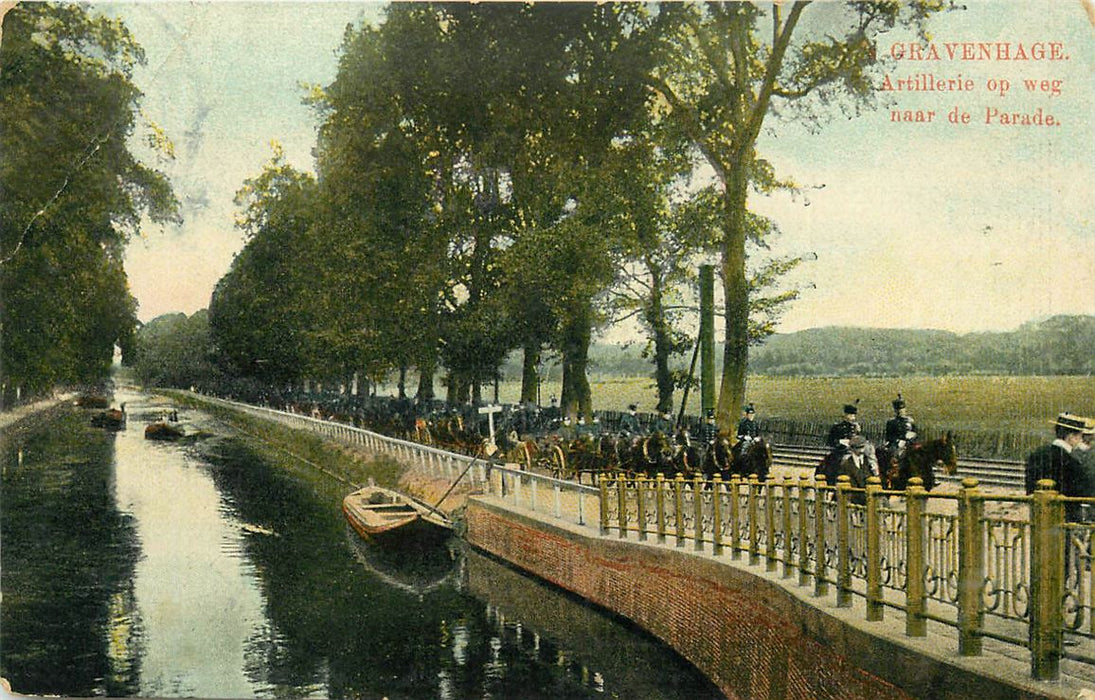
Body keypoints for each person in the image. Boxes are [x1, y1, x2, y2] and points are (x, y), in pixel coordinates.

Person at [1025, 413, 1091, 522]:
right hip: (1065, 518)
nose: (1080, 440)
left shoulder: (1036, 454)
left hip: (1038, 516)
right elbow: (1082, 492)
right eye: (1080, 437)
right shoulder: (1072, 462)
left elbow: (1029, 487)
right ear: (1071, 437)